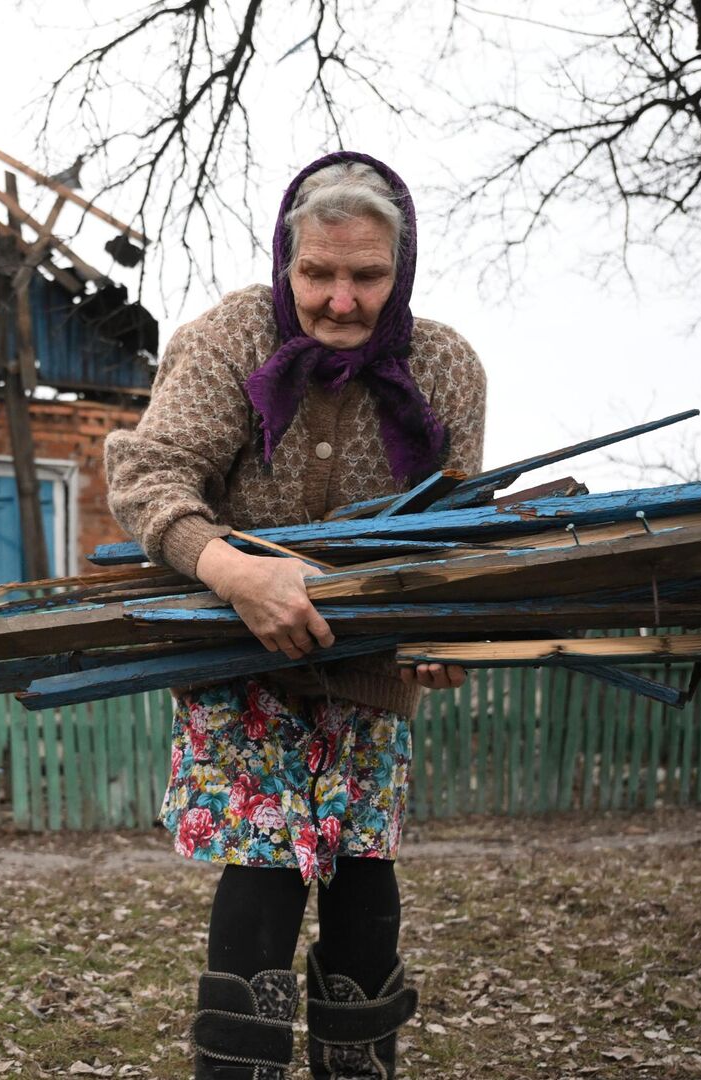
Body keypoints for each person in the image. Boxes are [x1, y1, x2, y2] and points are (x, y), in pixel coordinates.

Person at [104, 152, 488, 1080]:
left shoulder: (442, 366)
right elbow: (148, 474)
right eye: (318, 273)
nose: (341, 300)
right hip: (240, 660)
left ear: (401, 274)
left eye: (367, 276)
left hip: (372, 668)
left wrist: (450, 633)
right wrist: (235, 572)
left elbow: (459, 528)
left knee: (364, 874)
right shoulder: (234, 336)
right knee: (264, 871)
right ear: (287, 262)